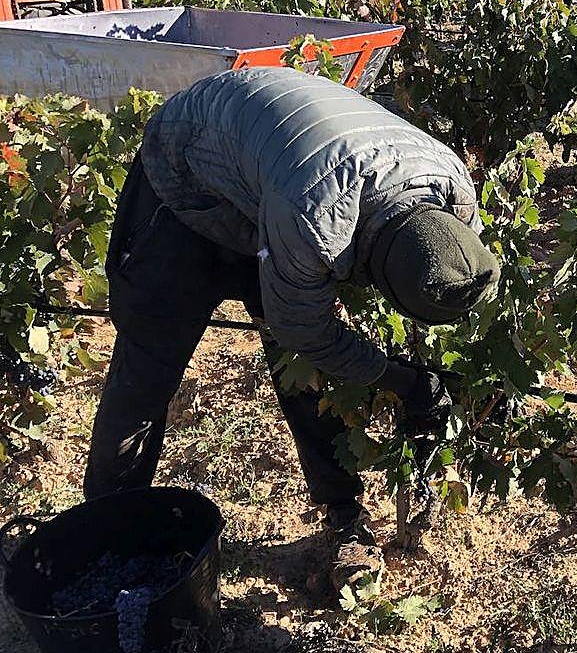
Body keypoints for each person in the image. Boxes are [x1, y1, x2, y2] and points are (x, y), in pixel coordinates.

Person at [84, 67, 500, 589]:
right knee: (147, 370)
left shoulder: (452, 192)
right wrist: (401, 380)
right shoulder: (315, 222)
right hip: (185, 180)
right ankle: (105, 535)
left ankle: (343, 516)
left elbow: (446, 271)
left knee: (304, 376)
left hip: (269, 184)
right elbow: (307, 330)